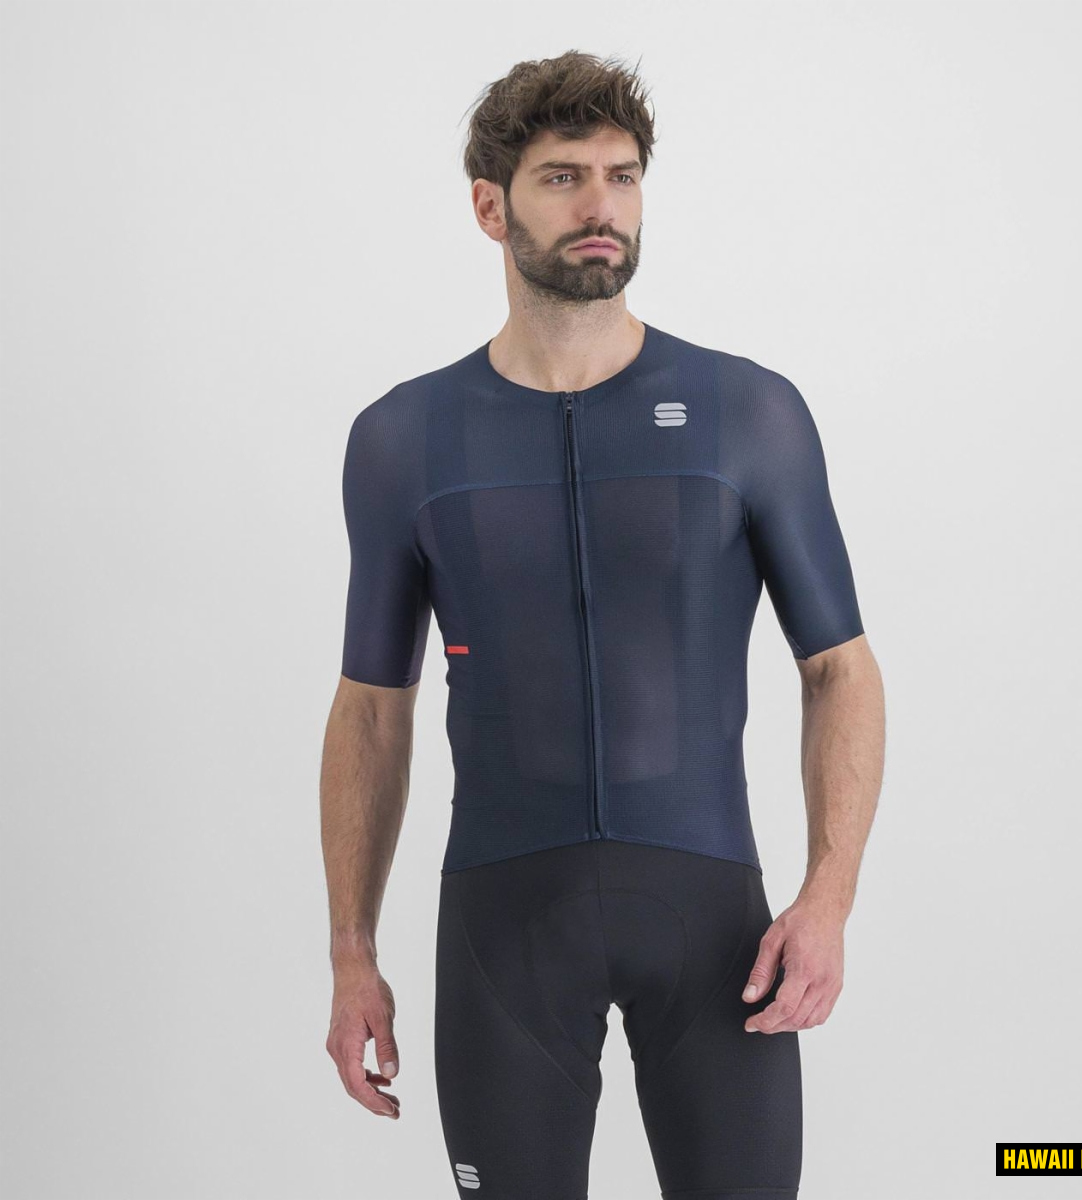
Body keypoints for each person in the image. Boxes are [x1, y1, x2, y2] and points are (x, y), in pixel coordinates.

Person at [321, 49, 886, 1200]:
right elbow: (372, 710)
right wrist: (351, 955)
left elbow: (840, 669)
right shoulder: (403, 438)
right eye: (562, 177)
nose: (601, 207)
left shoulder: (748, 413)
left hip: (716, 929)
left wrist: (828, 899)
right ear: (491, 208)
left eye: (622, 177)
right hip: (503, 931)